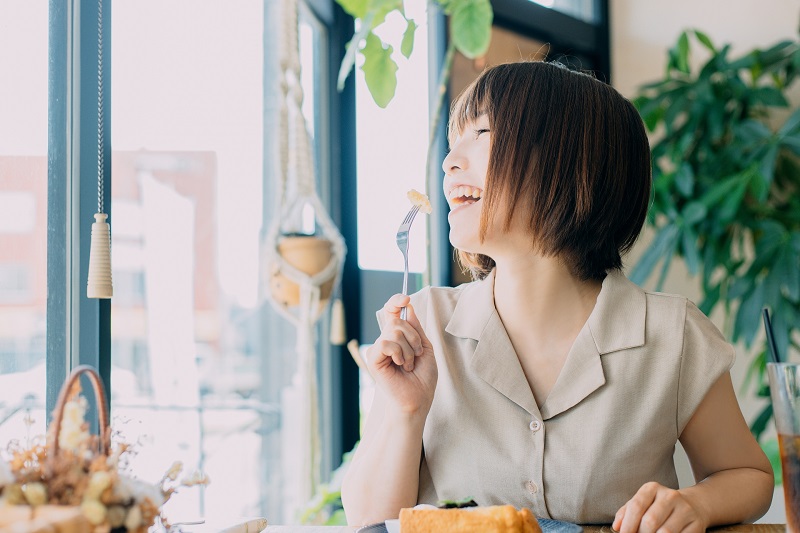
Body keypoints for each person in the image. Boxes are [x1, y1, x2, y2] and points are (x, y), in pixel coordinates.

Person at [340, 60, 774, 532]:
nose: (449, 161)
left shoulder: (673, 335)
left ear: (566, 160)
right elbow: (369, 521)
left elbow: (747, 475)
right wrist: (407, 411)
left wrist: (698, 504)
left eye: (481, 132)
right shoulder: (423, 325)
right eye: (453, 142)